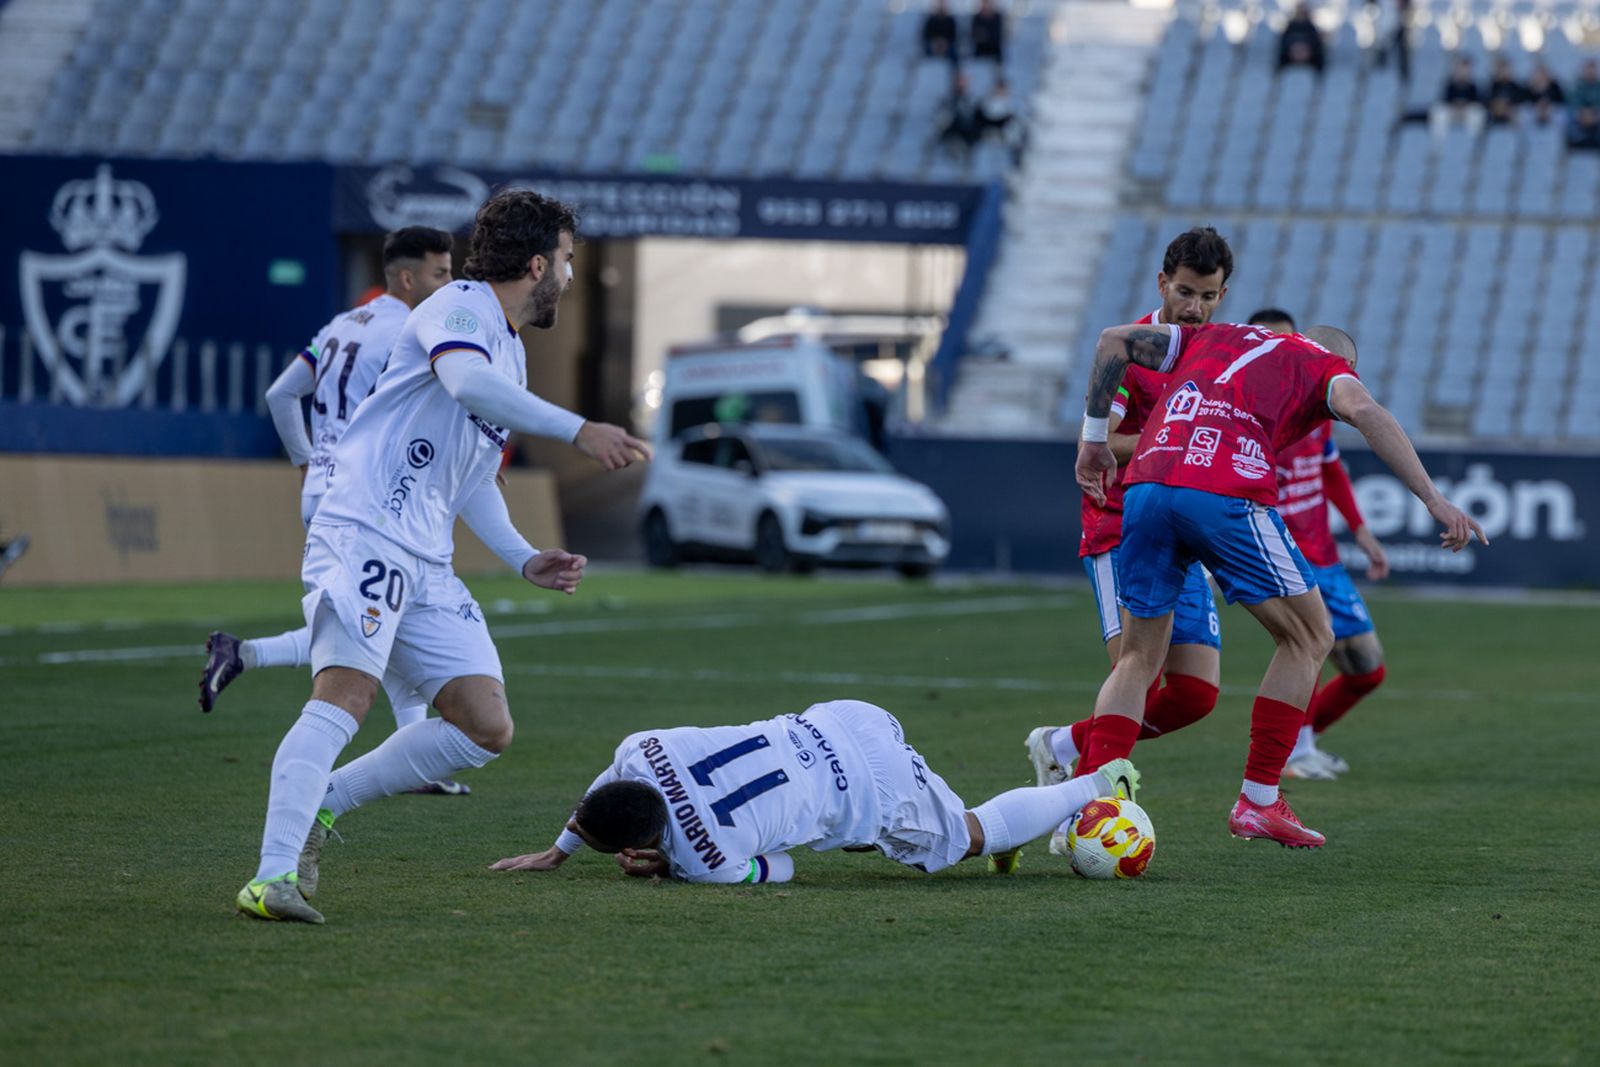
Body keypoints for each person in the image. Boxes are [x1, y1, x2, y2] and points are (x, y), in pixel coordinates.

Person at [234, 190, 653, 923]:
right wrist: (578, 427)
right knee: (345, 696)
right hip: (363, 527)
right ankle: (271, 877)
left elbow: (474, 480)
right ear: (537, 264)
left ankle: (323, 801)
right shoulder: (459, 307)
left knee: (483, 723)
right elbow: (464, 381)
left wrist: (523, 557)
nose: (570, 274)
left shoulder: (511, 350)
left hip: (425, 554)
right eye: (568, 260)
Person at [1072, 322, 1484, 849]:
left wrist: (1091, 442)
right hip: (1221, 488)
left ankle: (1090, 810)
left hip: (1147, 486)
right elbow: (1365, 411)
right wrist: (1433, 499)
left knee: (1138, 659)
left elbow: (1111, 340)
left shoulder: (1213, 335)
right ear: (1347, 365)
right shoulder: (1324, 365)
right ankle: (1259, 801)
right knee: (1310, 637)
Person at [199, 227, 473, 793]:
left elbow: (281, 394)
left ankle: (245, 653)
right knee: (374, 623)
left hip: (323, 491)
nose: (448, 283)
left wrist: (305, 461)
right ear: (406, 277)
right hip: (371, 496)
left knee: (377, 618)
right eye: (440, 273)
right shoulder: (411, 330)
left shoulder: (343, 324)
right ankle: (251, 662)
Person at [484, 699, 1142, 885]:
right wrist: (561, 847)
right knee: (906, 830)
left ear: (644, 843)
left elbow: (785, 864)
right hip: (839, 718)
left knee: (968, 836)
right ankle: (1016, 827)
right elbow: (608, 784)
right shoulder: (641, 747)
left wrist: (675, 867)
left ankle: (1098, 780)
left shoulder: (706, 860)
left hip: (870, 790)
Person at [1023, 229, 1233, 800]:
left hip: (1182, 533)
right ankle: (1088, 810)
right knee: (1135, 673)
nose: (1195, 308)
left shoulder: (1217, 353)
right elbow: (1101, 442)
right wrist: (1177, 438)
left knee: (1195, 694)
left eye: (1209, 297)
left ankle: (1063, 747)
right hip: (1120, 528)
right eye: (1186, 292)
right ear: (1163, 283)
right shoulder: (1135, 349)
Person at [1247, 309, 1390, 781]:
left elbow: (1330, 469)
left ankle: (1301, 743)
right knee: (1307, 645)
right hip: (1287, 554)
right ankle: (1293, 751)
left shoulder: (1318, 403)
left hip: (1325, 553)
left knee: (1367, 670)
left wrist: (1361, 529)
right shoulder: (1250, 413)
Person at [1431, 57, 1485, 140]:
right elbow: (1444, 100)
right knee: (1439, 112)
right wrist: (1454, 106)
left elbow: (1477, 101)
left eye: (1466, 69)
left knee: (1477, 113)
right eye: (1461, 69)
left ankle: (1473, 143)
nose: (1463, 72)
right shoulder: (1449, 84)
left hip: (1467, 112)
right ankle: (1437, 146)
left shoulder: (1473, 86)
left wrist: (1465, 106)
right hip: (1452, 112)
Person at [937, 72, 983, 158]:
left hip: (968, 133)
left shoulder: (974, 101)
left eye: (963, 81)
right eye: (959, 81)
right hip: (952, 131)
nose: (961, 84)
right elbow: (942, 119)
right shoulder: (946, 101)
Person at [1278, 3, 1325, 74]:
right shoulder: (1290, 26)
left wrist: (1307, 51)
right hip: (1291, 55)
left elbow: (1316, 42)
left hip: (1309, 56)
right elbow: (1283, 41)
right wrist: (1293, 50)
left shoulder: (1311, 27)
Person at [1567, 59, 1600, 150]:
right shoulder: (1576, 86)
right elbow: (1572, 104)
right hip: (1579, 119)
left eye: (1592, 69)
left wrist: (1594, 115)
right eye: (1588, 69)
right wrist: (1582, 114)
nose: (1590, 72)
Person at [1484, 57, 1527, 126]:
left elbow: (1521, 99)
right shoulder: (1492, 86)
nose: (1504, 72)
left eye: (1506, 69)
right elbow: (1486, 100)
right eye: (1502, 70)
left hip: (1510, 115)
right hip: (1493, 116)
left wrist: (1507, 105)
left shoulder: (1515, 86)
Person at [1524, 62, 1566, 128]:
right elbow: (1526, 103)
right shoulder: (1529, 87)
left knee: (1560, 115)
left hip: (1551, 112)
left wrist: (1548, 105)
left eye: (1543, 73)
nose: (1541, 76)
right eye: (1538, 74)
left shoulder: (1555, 86)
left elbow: (1560, 102)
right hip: (1534, 112)